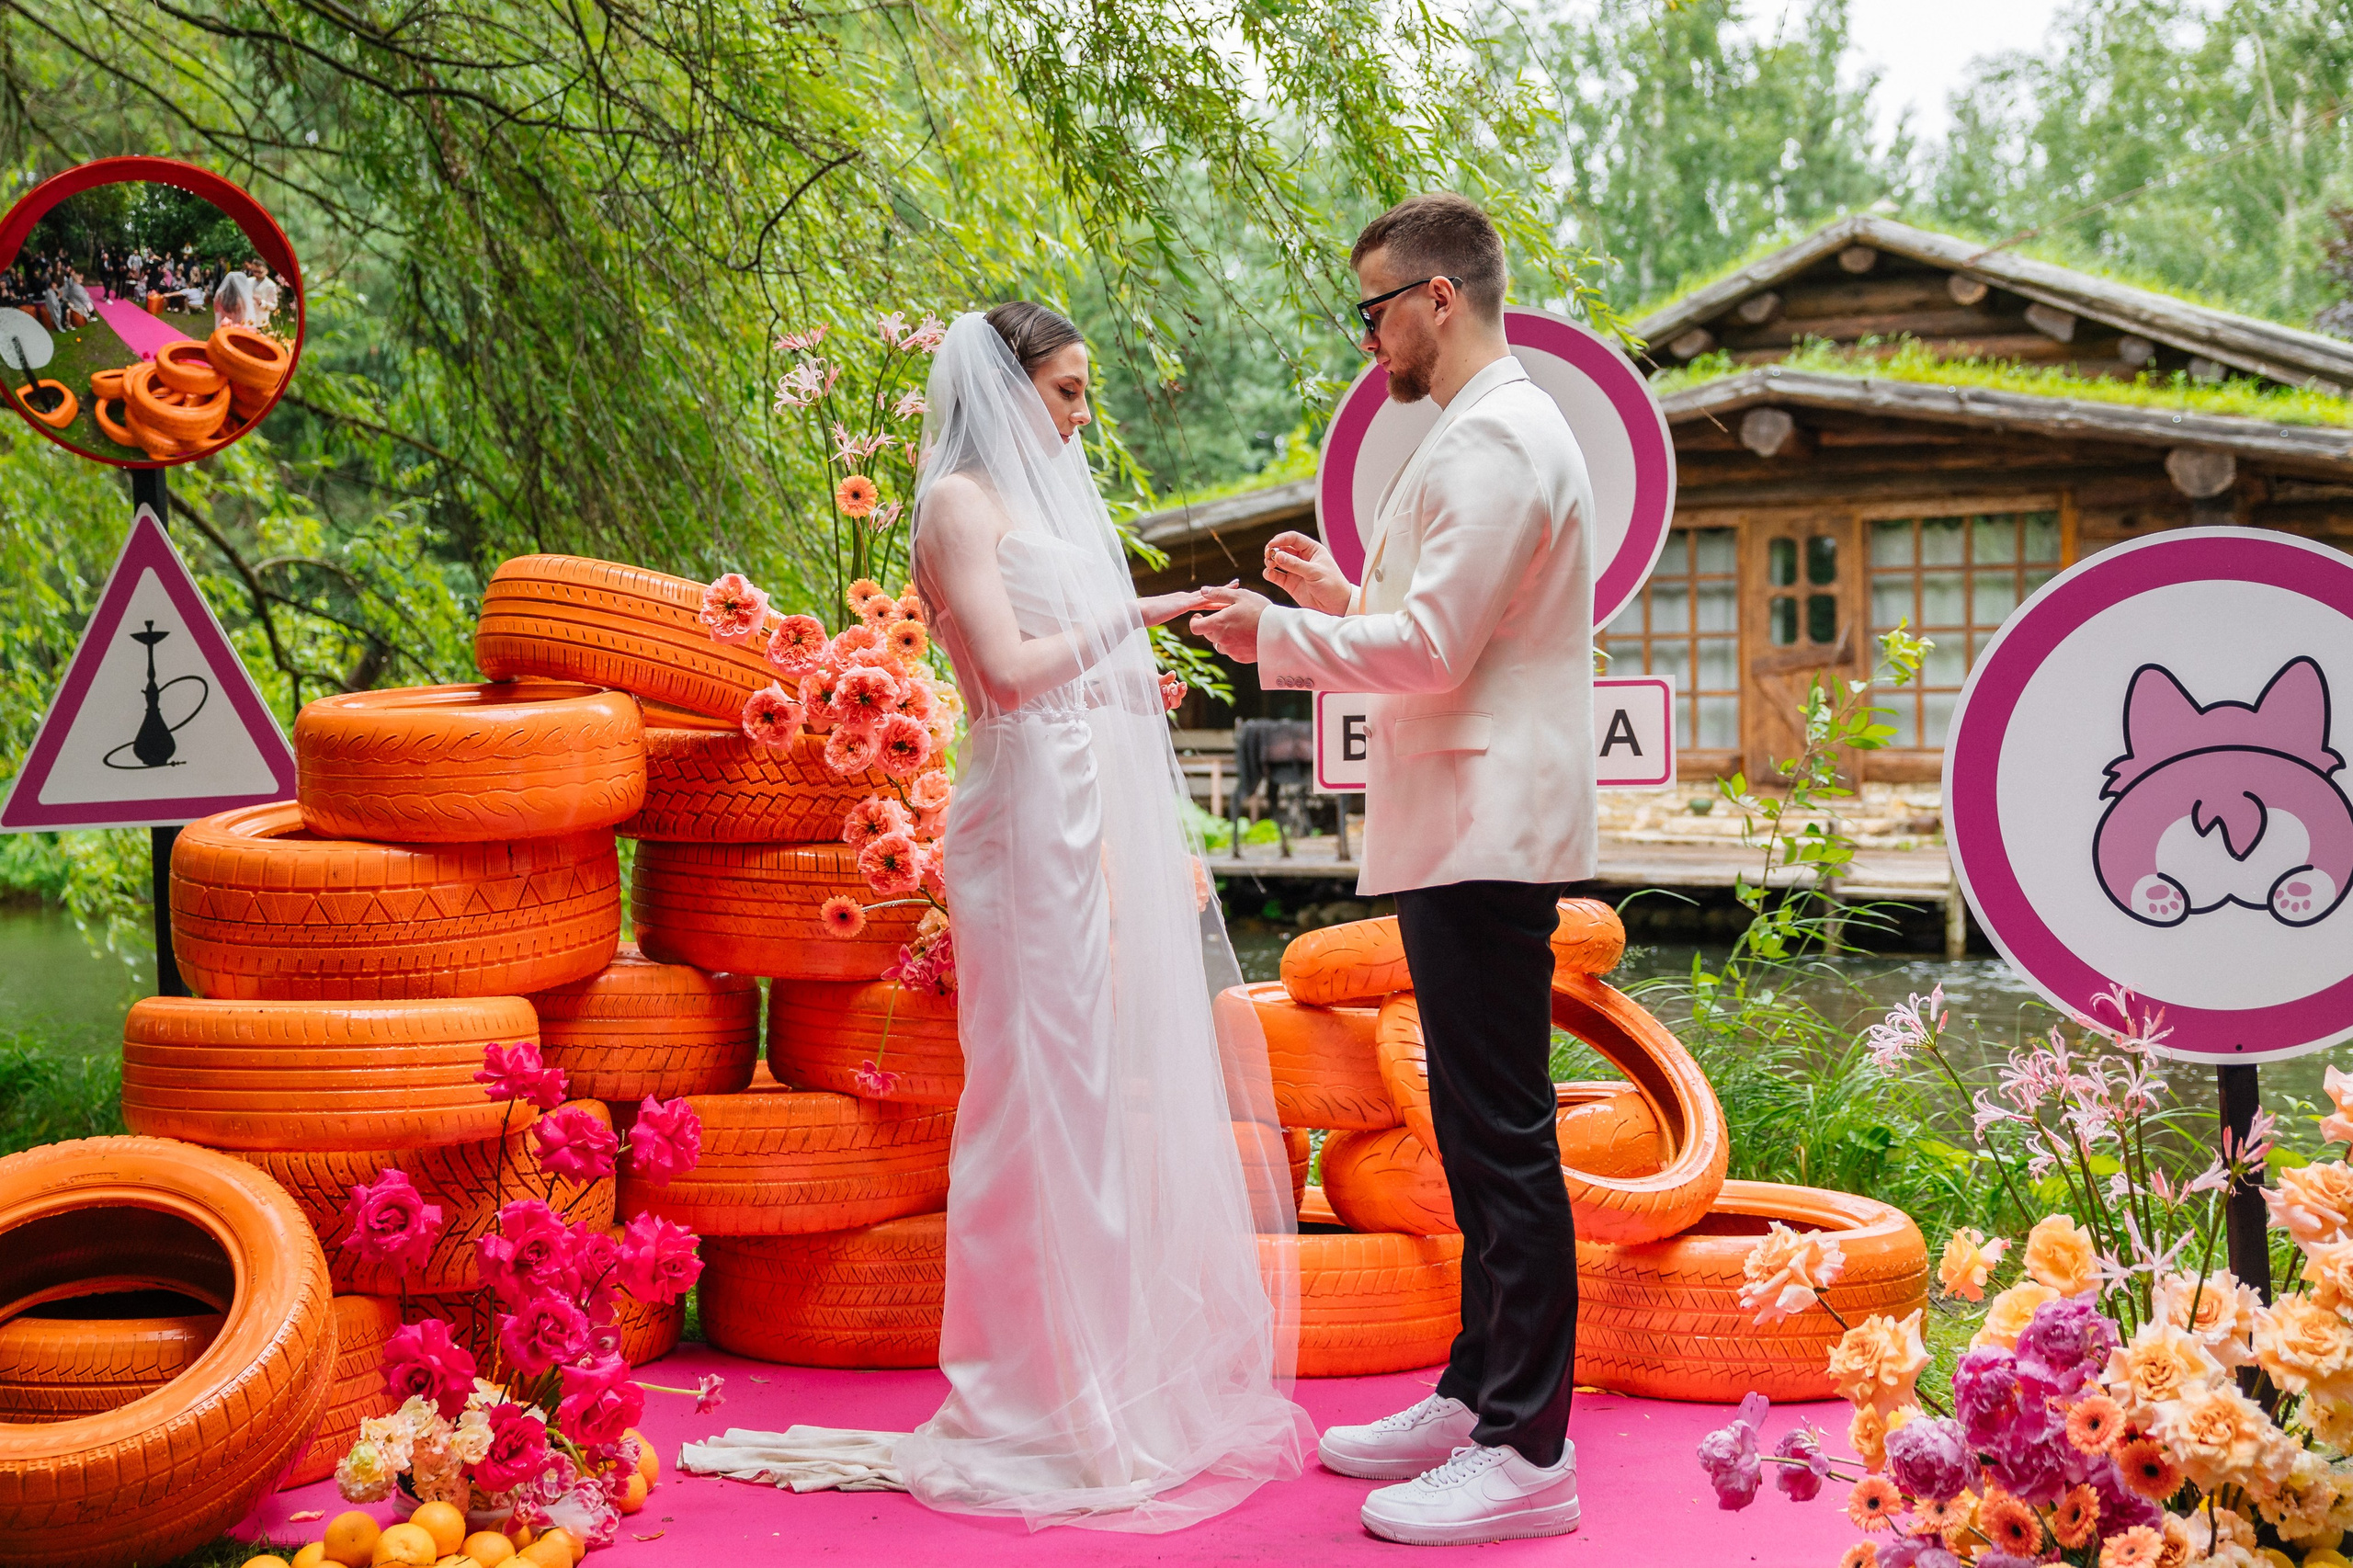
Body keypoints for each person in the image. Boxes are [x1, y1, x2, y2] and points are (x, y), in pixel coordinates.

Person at [682, 305, 1313, 1532]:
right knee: (1030, 1090)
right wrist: (1139, 615)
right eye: (1066, 390)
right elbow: (1015, 676)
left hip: (1073, 806)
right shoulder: (957, 506)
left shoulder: (1038, 500)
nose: (1082, 414)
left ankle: (1093, 1381)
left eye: (1084, 391)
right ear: (1007, 384)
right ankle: (1026, 1393)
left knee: (1087, 1086)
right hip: (1021, 809)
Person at [1191, 192, 1597, 1548]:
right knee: (1478, 1135)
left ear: (1437, 296)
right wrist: (1333, 602)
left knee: (1504, 1134)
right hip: (1462, 818)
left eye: (1373, 309)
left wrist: (1276, 636)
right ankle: (1481, 1392)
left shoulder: (1498, 436)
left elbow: (1432, 650)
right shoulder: (1485, 431)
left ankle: (1528, 1449)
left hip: (1486, 825)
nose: (1367, 339)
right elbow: (1436, 624)